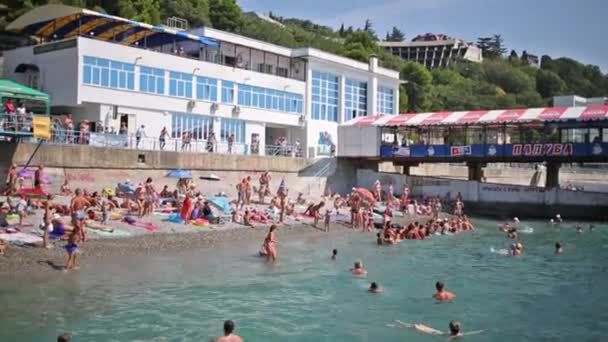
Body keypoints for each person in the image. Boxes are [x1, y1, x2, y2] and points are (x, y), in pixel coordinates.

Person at [392, 320, 483, 338]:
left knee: (415, 326)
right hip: (433, 333)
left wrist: (480, 331)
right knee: (414, 326)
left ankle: (398, 322)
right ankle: (396, 324)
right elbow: (471, 333)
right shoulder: (458, 335)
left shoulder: (452, 336)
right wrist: (480, 331)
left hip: (434, 331)